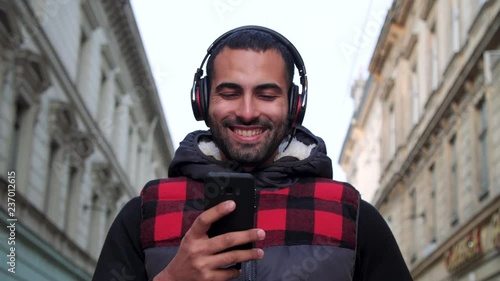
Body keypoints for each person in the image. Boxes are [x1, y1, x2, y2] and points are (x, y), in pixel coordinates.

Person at [92, 25, 413, 281]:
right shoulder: (145, 213)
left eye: (267, 94)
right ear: (202, 101)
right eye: (230, 93)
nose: (247, 112)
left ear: (294, 105)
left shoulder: (352, 216)